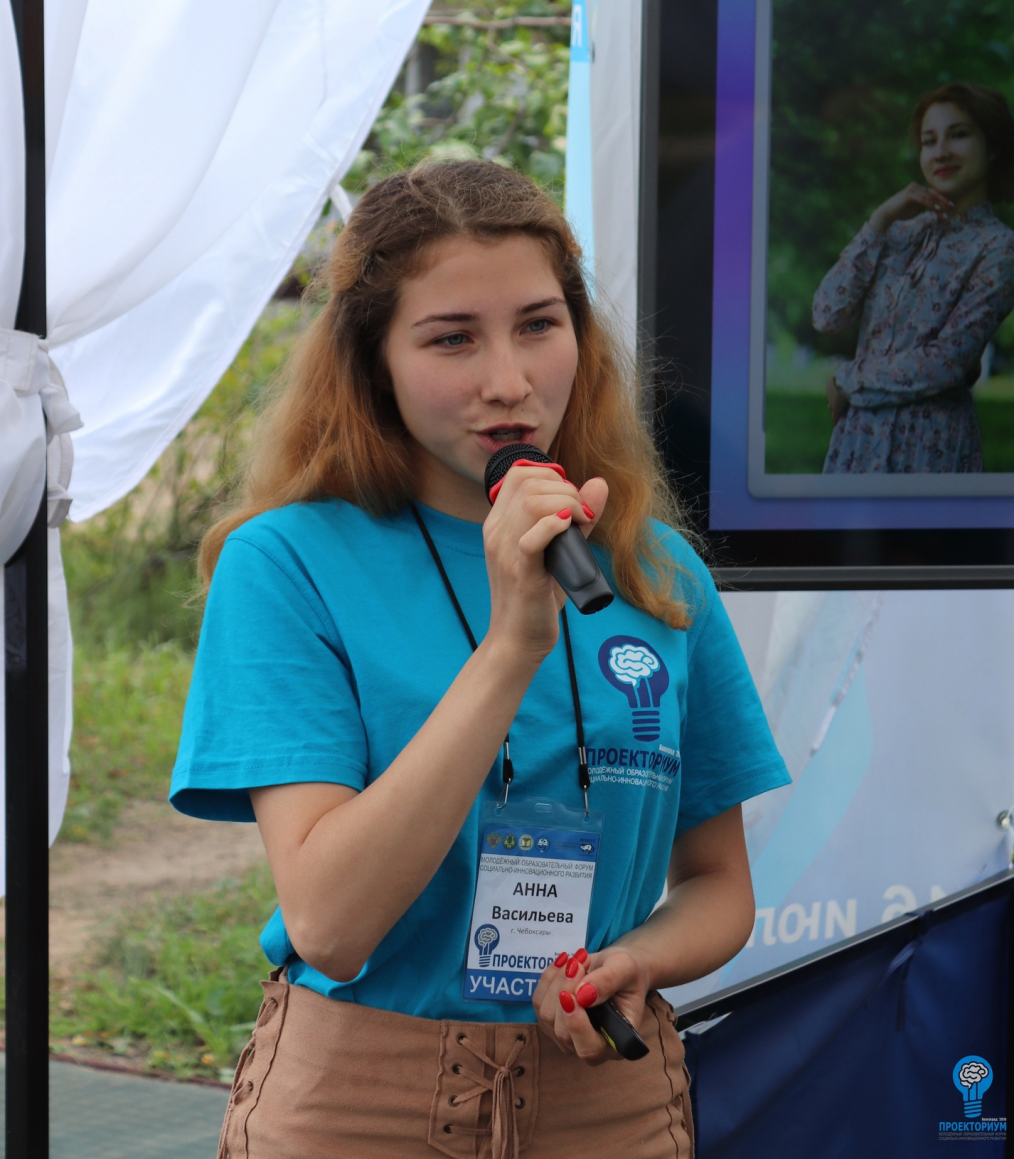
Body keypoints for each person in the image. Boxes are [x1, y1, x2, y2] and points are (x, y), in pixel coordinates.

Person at [171, 160, 788, 1159]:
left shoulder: (654, 571)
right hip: (358, 1102)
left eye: (539, 325)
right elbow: (328, 922)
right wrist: (511, 644)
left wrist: (633, 958)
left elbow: (719, 884)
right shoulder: (286, 564)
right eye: (451, 338)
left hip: (607, 1102)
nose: (508, 381)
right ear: (372, 360)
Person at [812, 83, 1014, 475]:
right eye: (929, 140)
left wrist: (847, 379)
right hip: (857, 441)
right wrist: (878, 220)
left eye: (958, 135)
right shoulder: (898, 233)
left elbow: (947, 363)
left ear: (993, 146)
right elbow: (827, 314)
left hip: (930, 446)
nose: (941, 151)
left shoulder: (1000, 248)